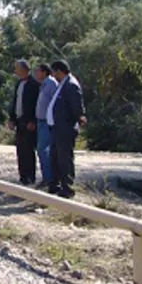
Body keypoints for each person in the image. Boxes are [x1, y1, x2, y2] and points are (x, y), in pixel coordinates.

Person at [45, 60, 86, 199]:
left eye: (54, 72)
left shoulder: (71, 85)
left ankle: (68, 188)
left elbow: (77, 108)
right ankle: (55, 185)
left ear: (59, 71)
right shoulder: (62, 84)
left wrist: (78, 118)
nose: (53, 75)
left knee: (64, 159)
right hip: (57, 128)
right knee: (55, 157)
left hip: (65, 129)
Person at [7, 59, 41, 185]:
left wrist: (33, 120)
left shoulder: (34, 84)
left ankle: (30, 176)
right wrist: (11, 119)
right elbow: (15, 102)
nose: (15, 70)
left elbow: (35, 104)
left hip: (29, 121)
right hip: (19, 120)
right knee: (20, 149)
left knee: (28, 150)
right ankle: (22, 175)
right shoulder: (19, 83)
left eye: (17, 68)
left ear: (23, 69)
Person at [33, 63, 59, 189]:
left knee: (43, 150)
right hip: (41, 121)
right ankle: (46, 178)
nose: (35, 73)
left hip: (47, 123)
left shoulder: (51, 83)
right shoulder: (43, 84)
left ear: (44, 72)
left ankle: (50, 179)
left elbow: (56, 103)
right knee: (41, 150)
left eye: (37, 71)